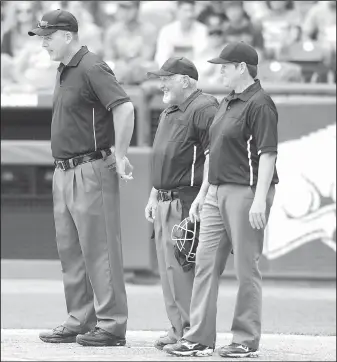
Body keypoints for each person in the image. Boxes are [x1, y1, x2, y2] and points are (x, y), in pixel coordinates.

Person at [28, 9, 135, 347]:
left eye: (48, 36)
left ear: (67, 35)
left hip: (91, 168)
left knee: (100, 250)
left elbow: (125, 107)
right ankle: (79, 319)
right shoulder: (64, 69)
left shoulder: (92, 66)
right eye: (42, 36)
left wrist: (120, 154)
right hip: (64, 171)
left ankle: (112, 325)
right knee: (71, 251)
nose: (44, 42)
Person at [166, 41, 279, 358]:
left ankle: (245, 338)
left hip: (246, 191)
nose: (220, 72)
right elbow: (214, 152)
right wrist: (204, 192)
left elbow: (268, 154)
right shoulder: (227, 102)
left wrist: (259, 200)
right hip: (216, 191)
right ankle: (199, 337)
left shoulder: (260, 103)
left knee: (246, 268)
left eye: (225, 67)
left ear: (241, 67)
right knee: (204, 263)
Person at [145, 57, 219, 351]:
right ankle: (178, 329)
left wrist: (204, 196)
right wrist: (153, 194)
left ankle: (195, 333)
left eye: (167, 78)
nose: (160, 83)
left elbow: (215, 154)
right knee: (169, 270)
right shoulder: (169, 111)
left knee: (185, 267)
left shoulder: (204, 107)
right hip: (164, 199)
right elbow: (162, 158)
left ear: (185, 80)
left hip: (186, 200)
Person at [103, 1, 157, 84]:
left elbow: (146, 57)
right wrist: (120, 65)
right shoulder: (112, 31)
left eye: (129, 8)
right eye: (122, 8)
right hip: (118, 70)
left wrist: (131, 67)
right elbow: (109, 58)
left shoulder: (149, 30)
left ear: (137, 9)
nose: (125, 12)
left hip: (141, 71)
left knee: (150, 67)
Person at [154, 0, 208, 67]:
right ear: (178, 12)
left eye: (191, 10)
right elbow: (161, 57)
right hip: (171, 71)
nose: (189, 15)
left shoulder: (202, 30)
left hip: (195, 71)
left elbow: (202, 57)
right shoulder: (167, 31)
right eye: (185, 10)